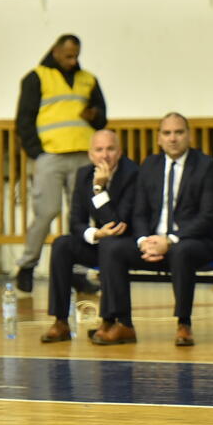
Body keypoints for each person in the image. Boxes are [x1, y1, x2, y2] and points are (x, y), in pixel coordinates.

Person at [92, 113, 213, 347]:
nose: (173, 138)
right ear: (159, 138)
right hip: (154, 243)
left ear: (189, 136)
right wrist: (144, 239)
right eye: (167, 133)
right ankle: (123, 324)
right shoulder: (150, 165)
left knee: (182, 251)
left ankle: (184, 324)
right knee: (111, 247)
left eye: (178, 132)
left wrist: (170, 240)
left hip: (196, 242)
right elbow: (139, 212)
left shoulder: (207, 167)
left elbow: (207, 216)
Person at [14, 34, 107, 293]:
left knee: (81, 215)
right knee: (46, 211)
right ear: (55, 51)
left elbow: (102, 118)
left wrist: (95, 115)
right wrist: (37, 153)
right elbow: (24, 119)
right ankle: (27, 265)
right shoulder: (37, 77)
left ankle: (78, 270)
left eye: (76, 55)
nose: (73, 60)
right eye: (68, 55)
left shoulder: (88, 79)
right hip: (51, 156)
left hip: (81, 156)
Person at [39, 129, 138, 343]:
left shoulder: (132, 173)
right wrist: (95, 233)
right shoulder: (84, 174)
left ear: (119, 152)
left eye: (110, 149)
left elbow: (119, 222)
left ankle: (111, 321)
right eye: (99, 150)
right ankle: (61, 321)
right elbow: (76, 222)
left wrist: (99, 189)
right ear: (91, 154)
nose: (105, 155)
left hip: (125, 244)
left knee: (111, 246)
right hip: (101, 242)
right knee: (62, 244)